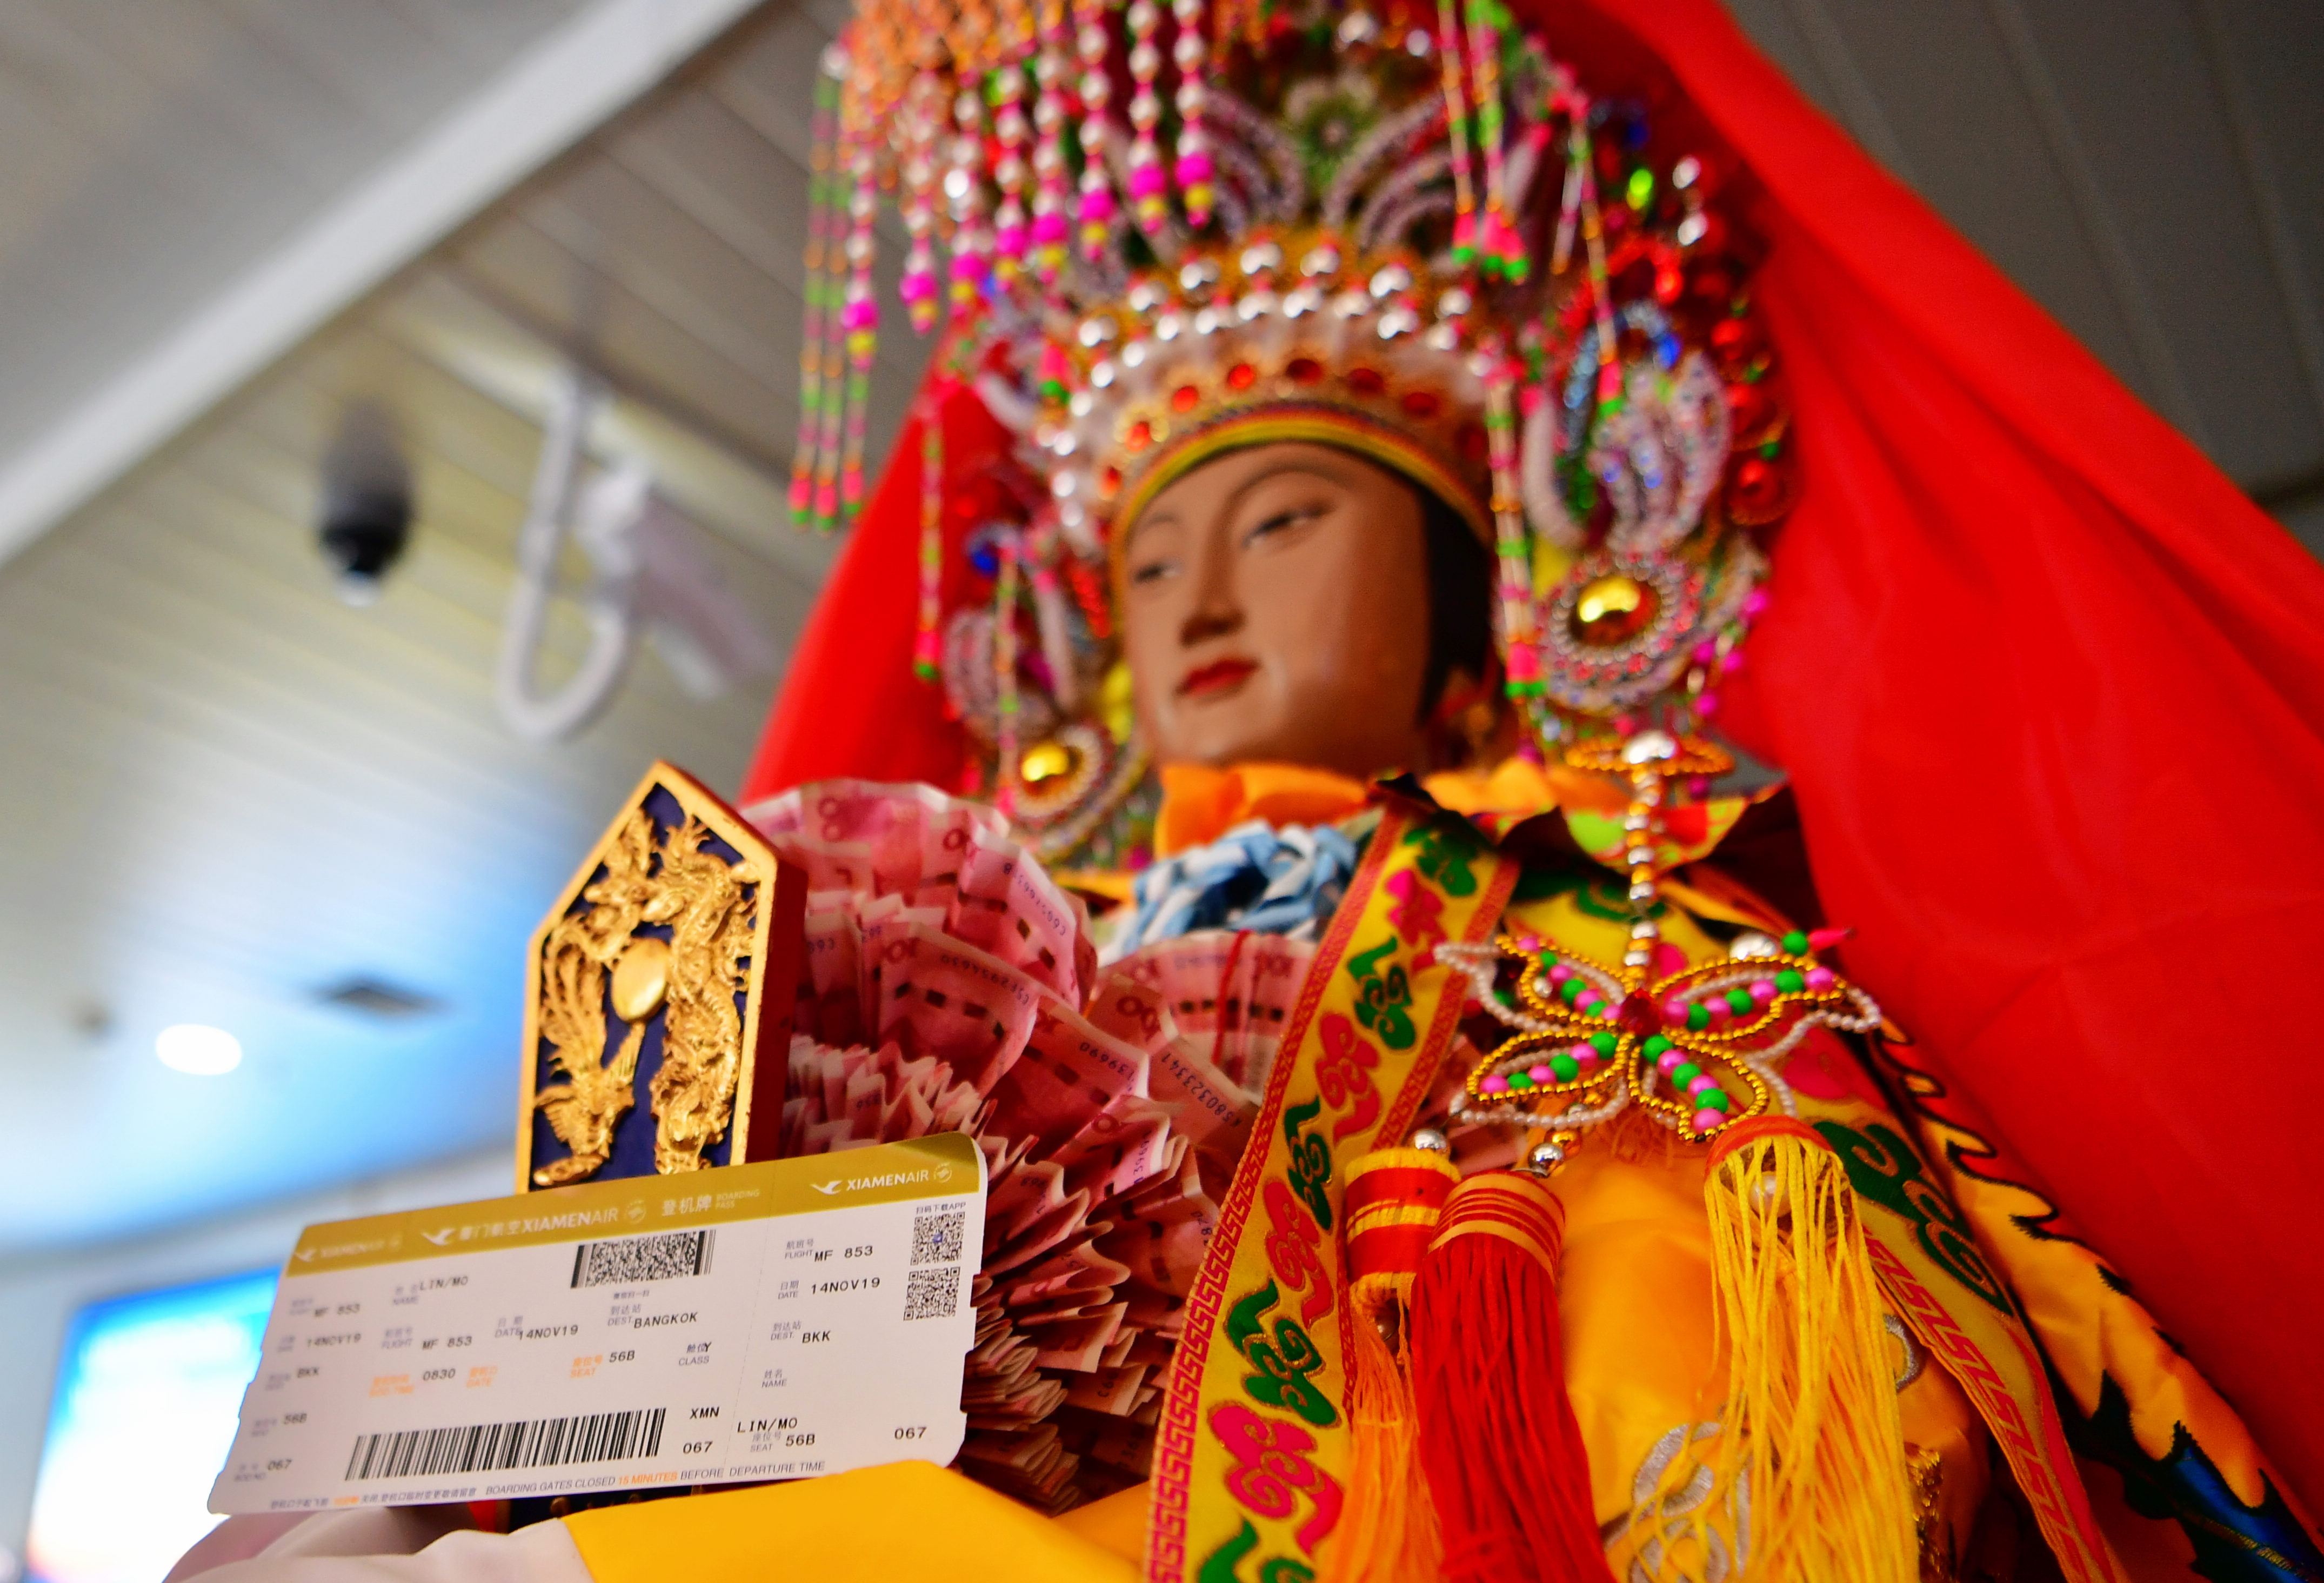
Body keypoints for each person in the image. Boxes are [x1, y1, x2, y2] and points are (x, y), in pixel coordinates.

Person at [178, 0, 2324, 1578]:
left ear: (1475, 587)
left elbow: (1670, 1394)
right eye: (1146, 560)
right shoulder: (1025, 944)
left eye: (1285, 521)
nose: (1196, 597)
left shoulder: (1591, 910)